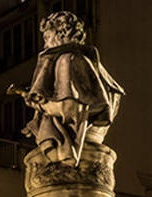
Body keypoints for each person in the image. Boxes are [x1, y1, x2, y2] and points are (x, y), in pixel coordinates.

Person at [8, 11, 124, 166]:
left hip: (73, 148)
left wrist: (39, 104)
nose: (45, 45)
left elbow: (69, 109)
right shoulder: (87, 62)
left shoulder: (67, 60)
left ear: (61, 34)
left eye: (47, 37)